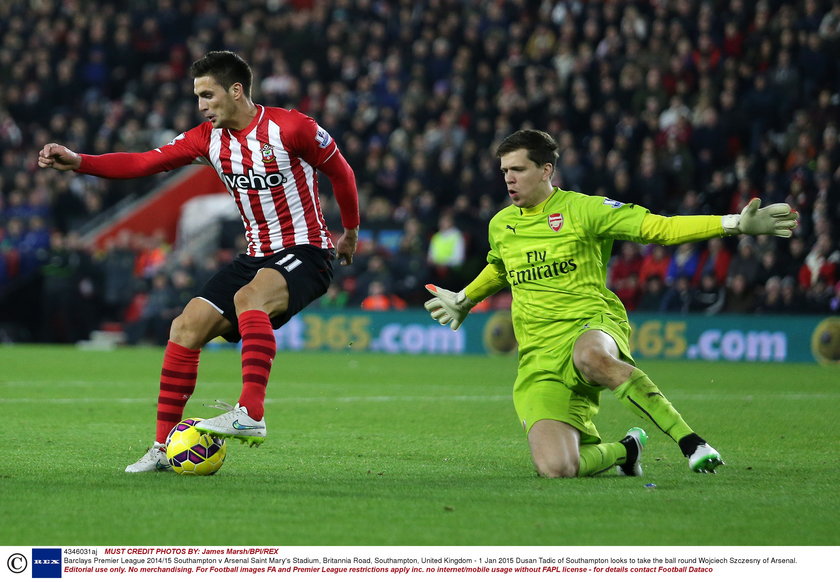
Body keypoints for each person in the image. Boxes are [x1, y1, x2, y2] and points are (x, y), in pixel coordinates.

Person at [38, 51, 360, 472]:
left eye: (207, 95)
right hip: (257, 255)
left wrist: (350, 232)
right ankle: (162, 446)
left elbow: (342, 173)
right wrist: (80, 162)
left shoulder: (292, 127)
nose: (201, 105)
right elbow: (143, 162)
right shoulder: (206, 139)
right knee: (186, 325)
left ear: (236, 91)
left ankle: (251, 413)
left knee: (250, 299)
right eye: (197, 96)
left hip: (307, 251)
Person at [424, 129, 797, 478]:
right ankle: (625, 451)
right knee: (557, 468)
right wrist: (465, 298)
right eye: (504, 170)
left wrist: (732, 224)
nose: (508, 178)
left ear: (546, 170)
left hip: (590, 324)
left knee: (591, 357)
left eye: (518, 169)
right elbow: (501, 268)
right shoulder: (501, 224)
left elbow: (659, 229)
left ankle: (692, 442)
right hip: (539, 357)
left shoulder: (585, 210)